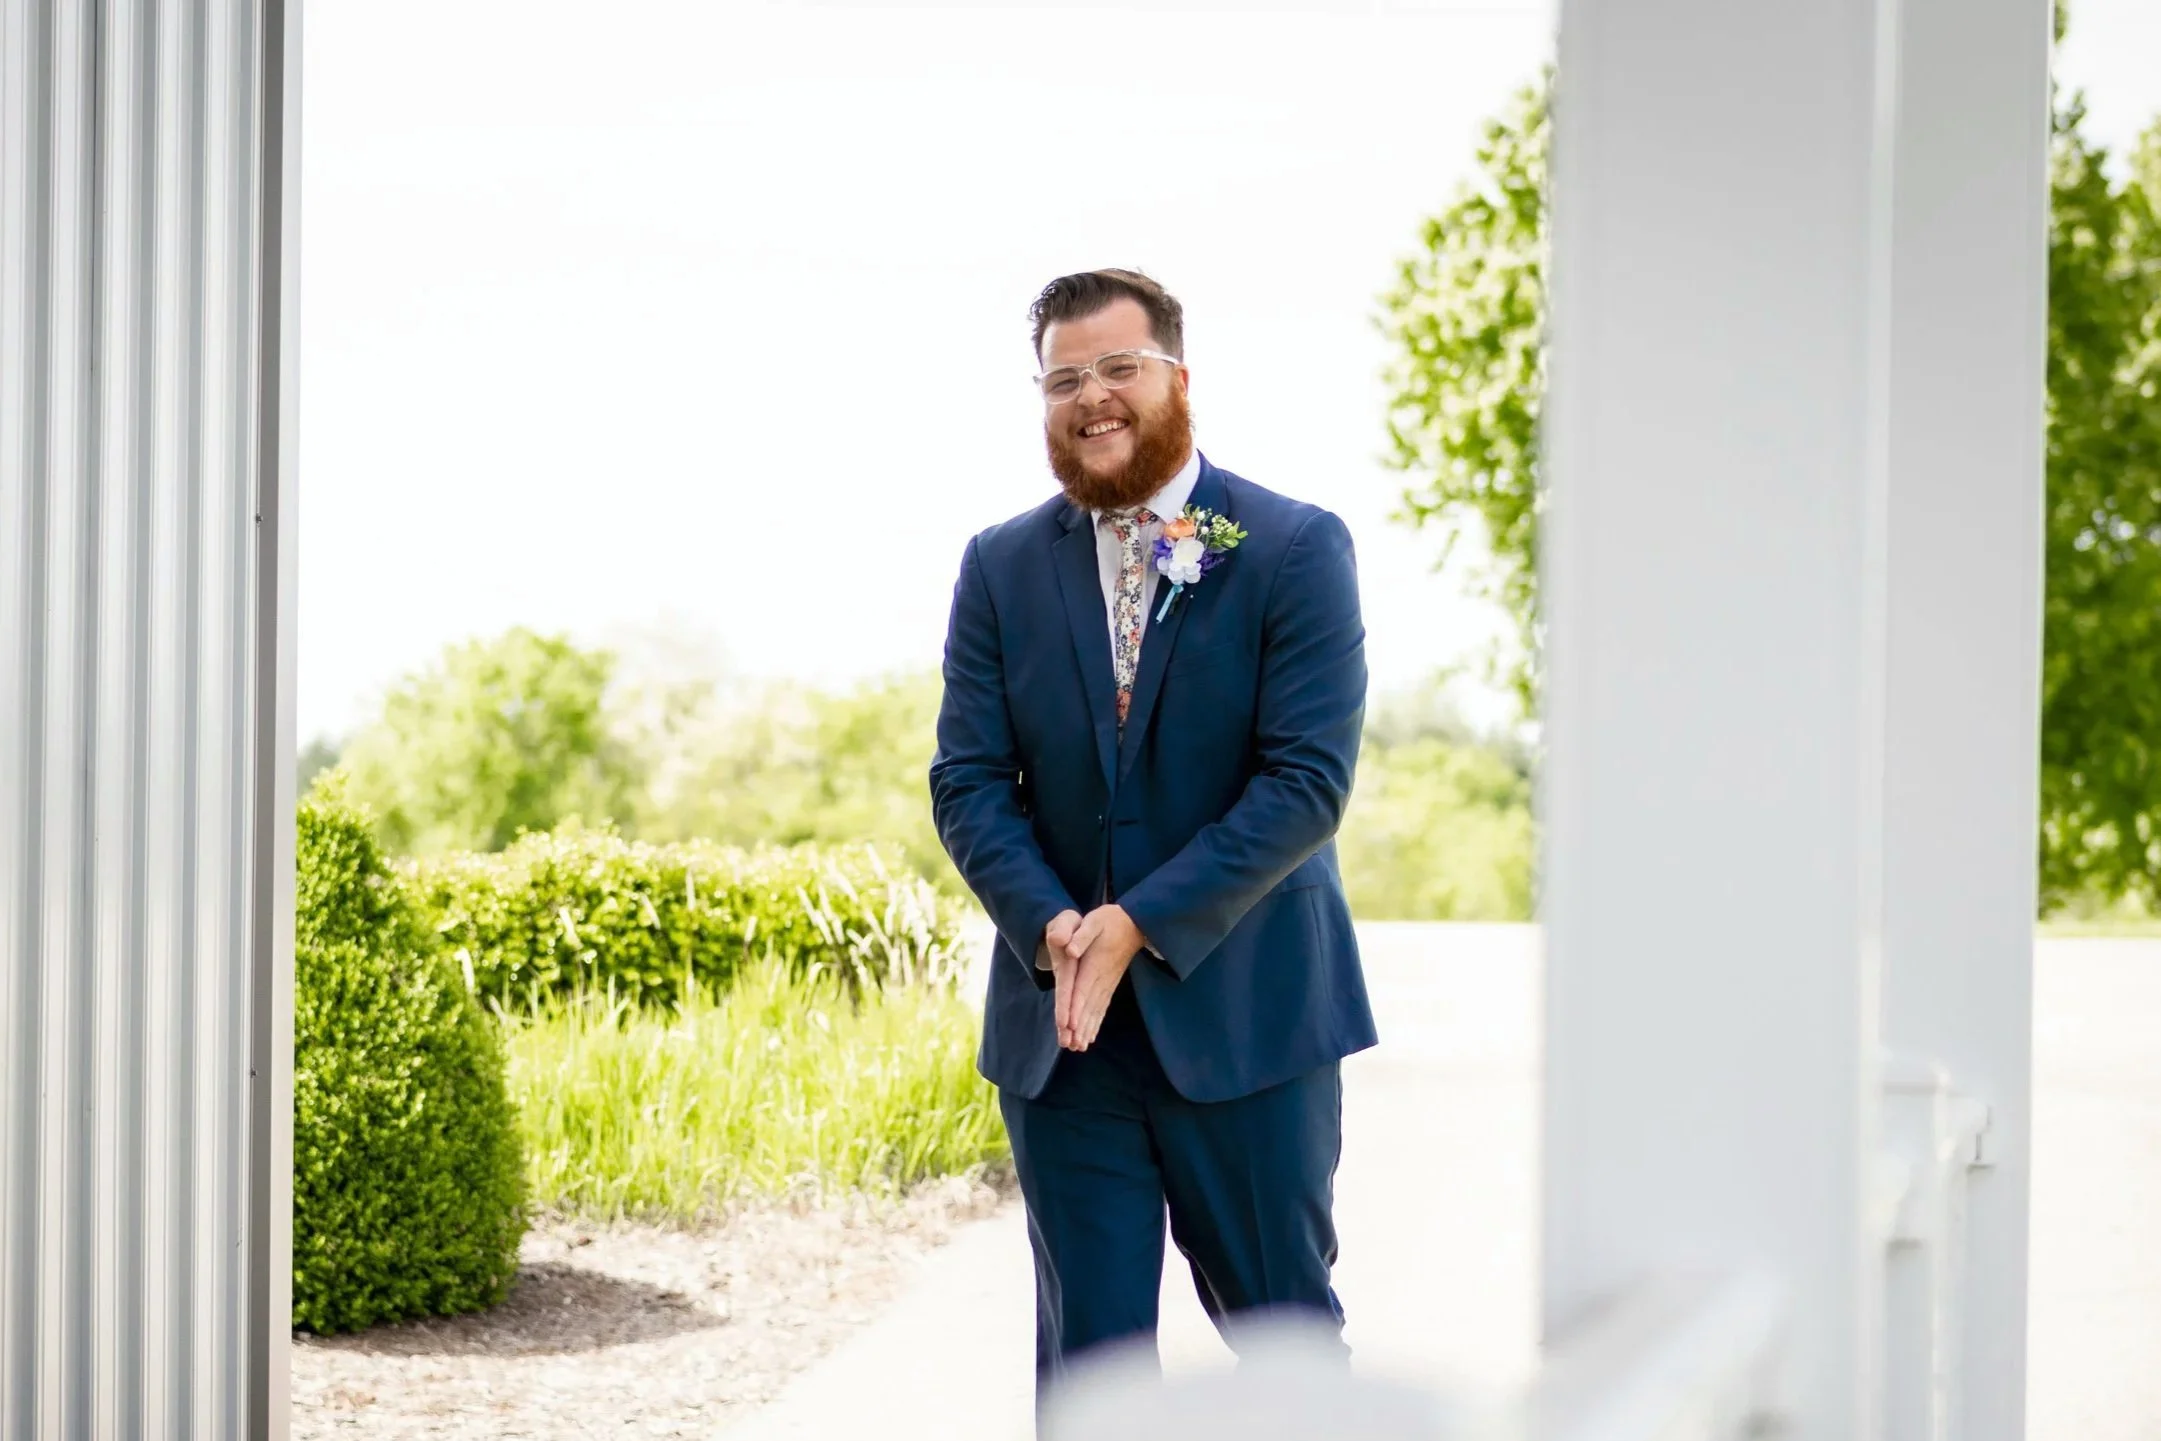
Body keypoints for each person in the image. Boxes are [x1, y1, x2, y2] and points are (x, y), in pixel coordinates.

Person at [929, 268, 1378, 1408]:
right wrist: (1056, 925)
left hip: (1250, 1022)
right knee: (1090, 1374)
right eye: (1063, 378)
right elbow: (969, 780)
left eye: (1117, 368)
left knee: (1285, 1347)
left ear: (1178, 377)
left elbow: (1305, 783)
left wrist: (1140, 923)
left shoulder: (1291, 546)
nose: (1092, 398)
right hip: (1065, 1030)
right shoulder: (998, 565)